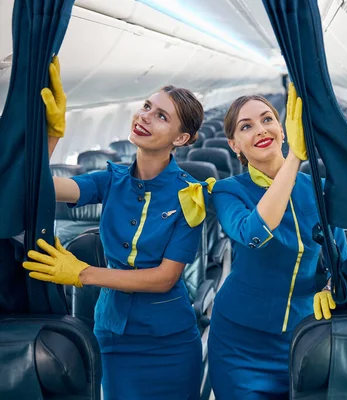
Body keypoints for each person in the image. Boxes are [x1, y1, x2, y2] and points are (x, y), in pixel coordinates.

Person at [23, 56, 212, 400]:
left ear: (181, 138)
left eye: (161, 116)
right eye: (146, 106)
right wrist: (49, 137)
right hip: (114, 336)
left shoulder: (190, 194)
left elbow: (165, 278)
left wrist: (83, 274)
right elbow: (35, 186)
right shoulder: (111, 179)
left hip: (170, 340)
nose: (144, 117)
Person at [207, 83, 347, 399]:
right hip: (239, 342)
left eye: (267, 119)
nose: (261, 129)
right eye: (246, 126)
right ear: (234, 145)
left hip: (303, 338)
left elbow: (340, 260)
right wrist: (294, 160)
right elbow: (254, 234)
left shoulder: (319, 189)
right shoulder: (228, 191)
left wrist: (331, 287)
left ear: (284, 130)